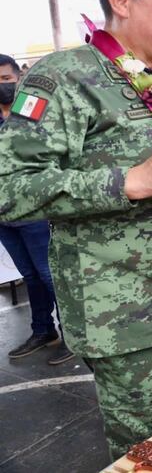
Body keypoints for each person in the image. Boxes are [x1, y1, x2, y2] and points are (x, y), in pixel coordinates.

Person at [0, 0, 152, 459]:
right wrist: (128, 181)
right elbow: (8, 188)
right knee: (148, 456)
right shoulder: (64, 79)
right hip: (126, 320)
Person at [0, 54, 74, 366]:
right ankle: (43, 330)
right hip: (3, 213)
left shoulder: (31, 110)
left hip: (33, 209)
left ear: (19, 77)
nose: (2, 86)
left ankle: (72, 335)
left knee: (49, 274)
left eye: (5, 79)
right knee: (29, 274)